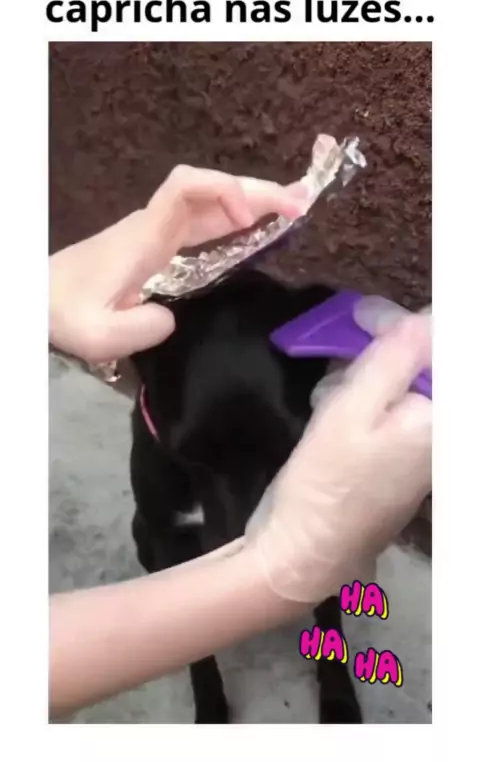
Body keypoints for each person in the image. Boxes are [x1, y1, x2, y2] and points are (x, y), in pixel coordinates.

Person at [49, 166, 432, 717]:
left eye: (277, 447)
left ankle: (334, 671)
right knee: (159, 546)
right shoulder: (159, 435)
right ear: (145, 385)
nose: (241, 526)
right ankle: (207, 689)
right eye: (198, 454)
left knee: (329, 556)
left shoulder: (196, 418)